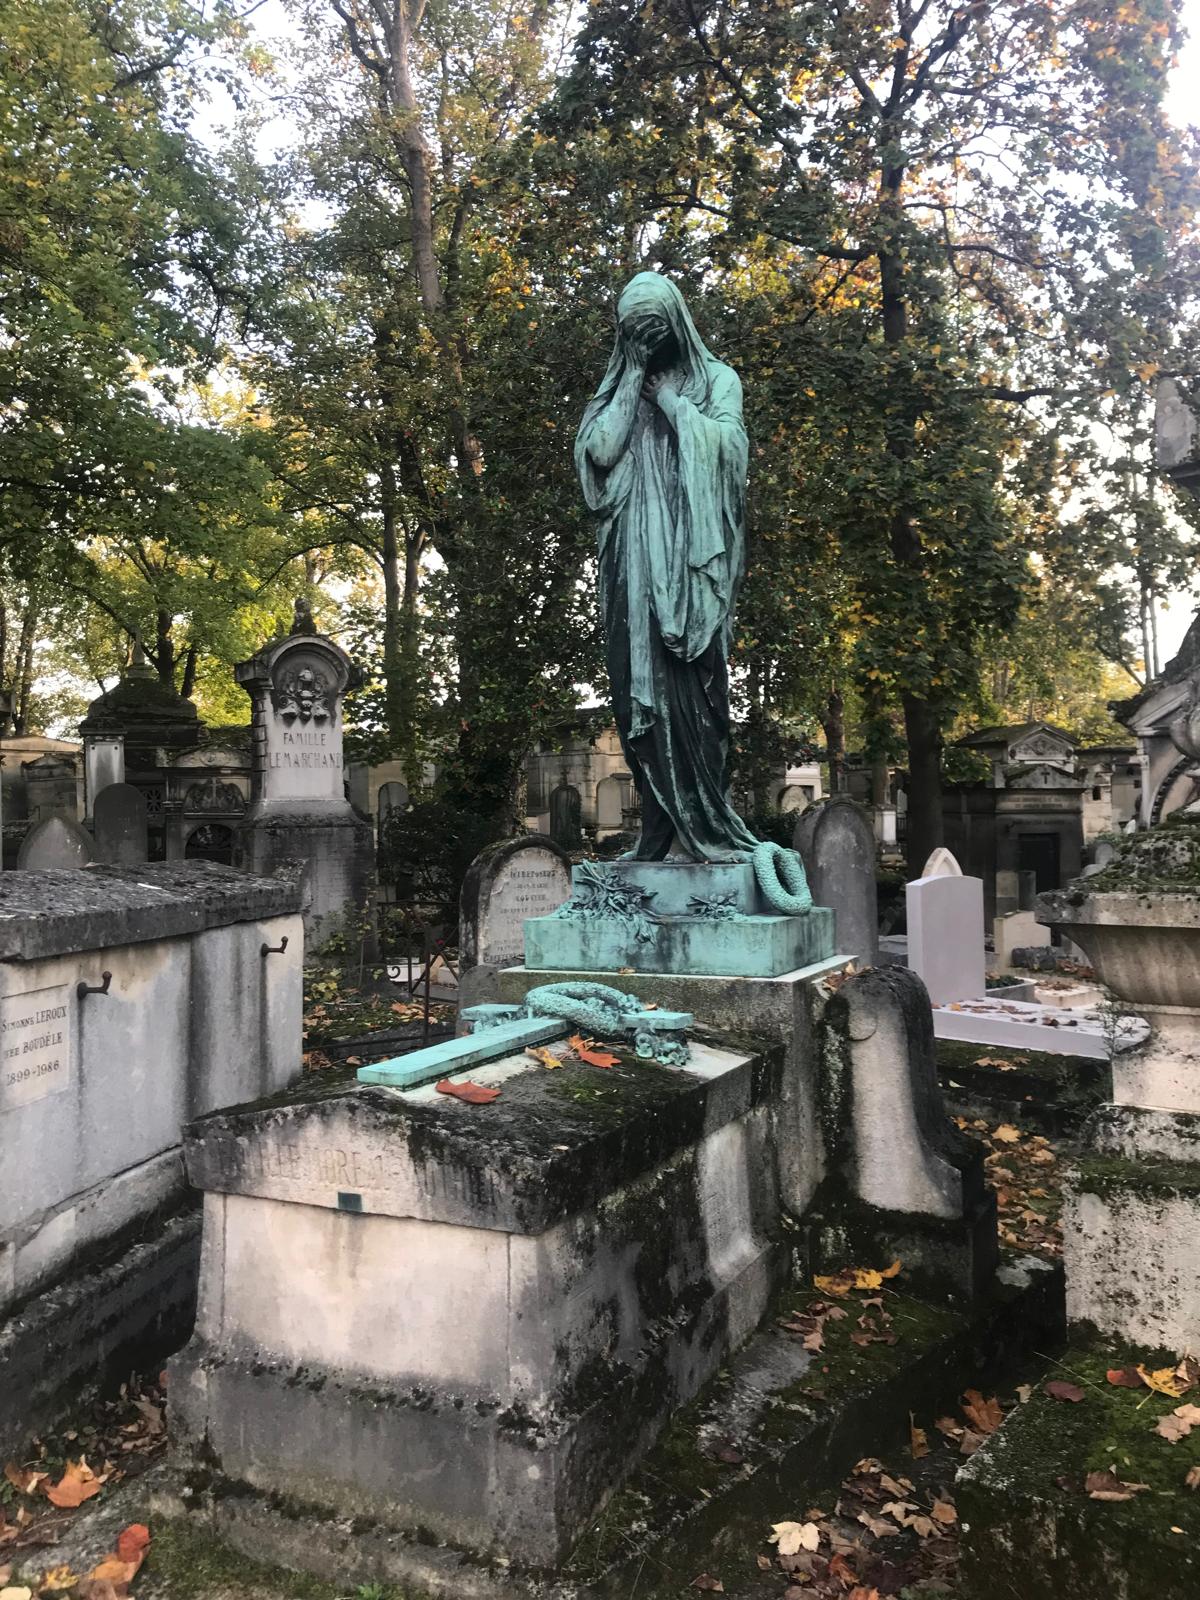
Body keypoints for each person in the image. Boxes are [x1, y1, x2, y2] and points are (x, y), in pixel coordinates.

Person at [575, 271, 760, 861]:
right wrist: (632, 378)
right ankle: (657, 833)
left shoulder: (717, 381)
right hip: (633, 572)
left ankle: (702, 828)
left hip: (692, 573)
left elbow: (731, 451)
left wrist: (675, 405)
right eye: (634, 331)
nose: (647, 339)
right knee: (636, 702)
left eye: (654, 328)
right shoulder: (616, 390)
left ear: (678, 319)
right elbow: (600, 453)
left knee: (696, 697)